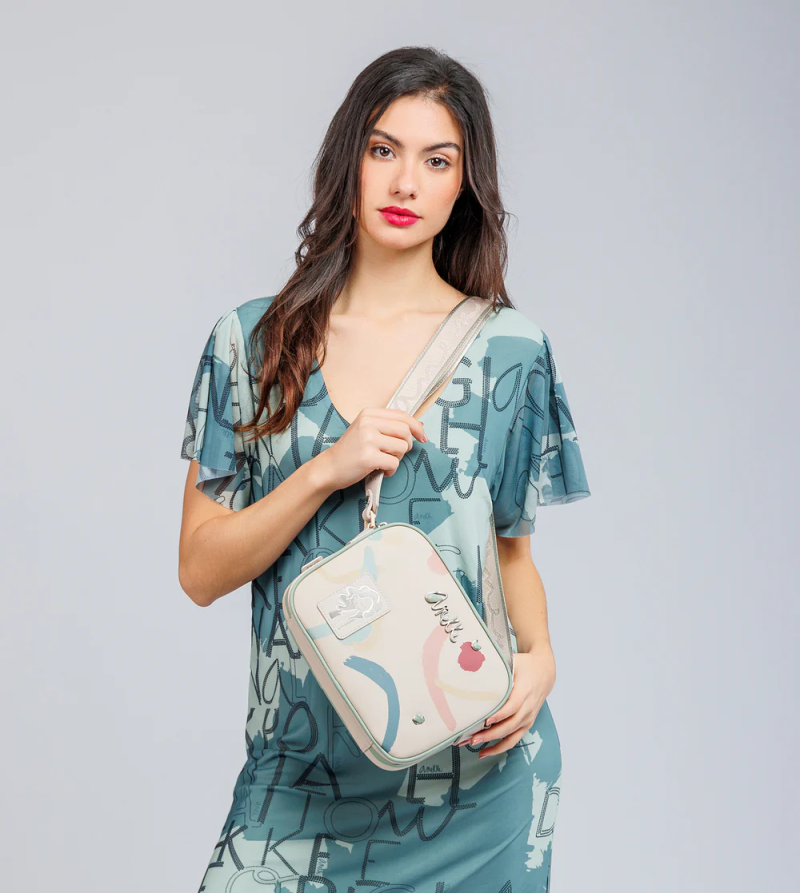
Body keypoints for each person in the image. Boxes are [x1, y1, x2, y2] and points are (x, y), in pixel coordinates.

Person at [178, 45, 591, 893]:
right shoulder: (251, 343)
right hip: (297, 784)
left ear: (465, 183)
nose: (406, 182)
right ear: (348, 161)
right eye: (383, 150)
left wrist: (542, 657)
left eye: (438, 160)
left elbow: (511, 553)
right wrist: (322, 470)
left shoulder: (512, 353)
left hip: (475, 781)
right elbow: (199, 569)